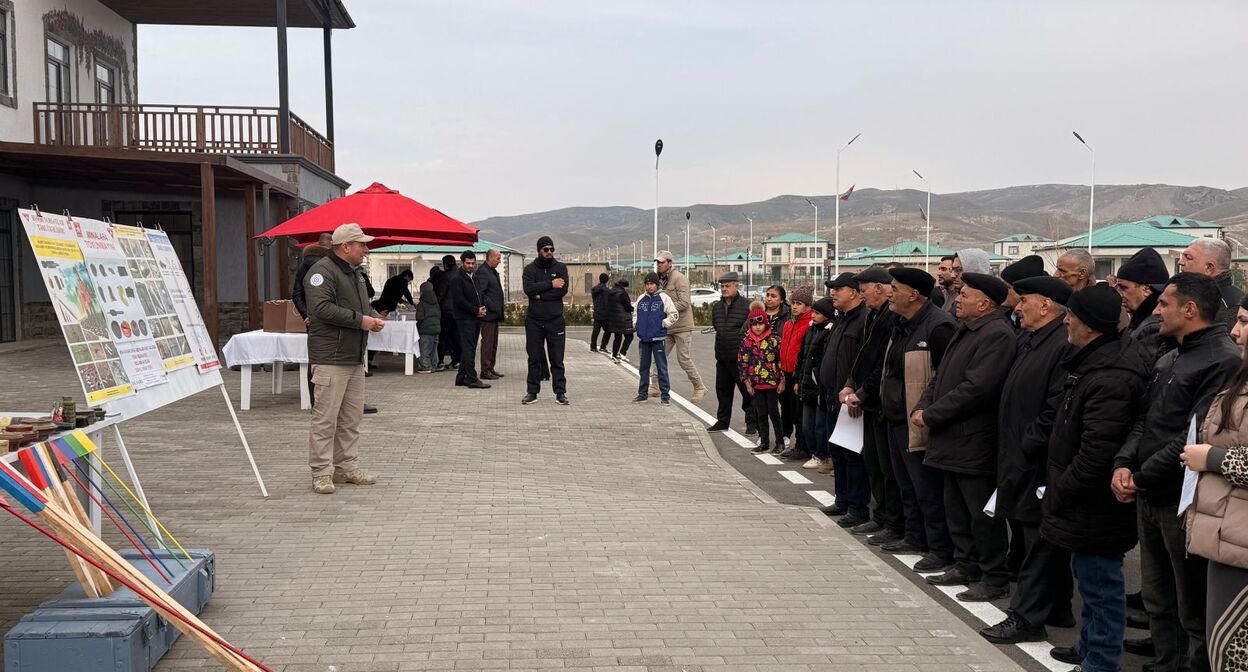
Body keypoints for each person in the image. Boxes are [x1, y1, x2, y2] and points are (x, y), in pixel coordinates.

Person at [1114, 272, 1240, 672]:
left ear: (1189, 309)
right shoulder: (1171, 355)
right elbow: (1146, 420)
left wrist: (1143, 475)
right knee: (1156, 593)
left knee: (1192, 603)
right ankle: (1165, 660)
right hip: (1150, 491)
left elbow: (1195, 434)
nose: (1157, 310)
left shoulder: (1222, 361)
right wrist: (1124, 463)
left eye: (1165, 303)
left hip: (1184, 499)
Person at [1038, 284, 1151, 672]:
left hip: (1095, 502)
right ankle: (1088, 646)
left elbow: (1098, 451)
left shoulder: (1112, 375)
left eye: (1071, 315)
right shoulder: (1091, 361)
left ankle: (1101, 660)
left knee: (1102, 585)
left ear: (1089, 324)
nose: (1066, 320)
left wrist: (1061, 490)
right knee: (1089, 579)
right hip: (1082, 500)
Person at [979, 276, 1076, 644]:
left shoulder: (1061, 346)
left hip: (1037, 461)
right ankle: (1058, 607)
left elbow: (1055, 410)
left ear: (1046, 305)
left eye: (1024, 302)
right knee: (1038, 538)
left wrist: (1026, 445)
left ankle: (1026, 617)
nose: (1017, 308)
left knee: (1039, 543)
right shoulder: (1032, 340)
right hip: (1019, 457)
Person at [913, 272, 1017, 601]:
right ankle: (965, 563)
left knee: (981, 515)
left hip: (974, 441)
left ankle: (994, 576)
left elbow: (977, 389)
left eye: (965, 295)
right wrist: (923, 405)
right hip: (950, 439)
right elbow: (941, 376)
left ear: (984, 303)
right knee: (955, 508)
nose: (957, 299)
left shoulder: (997, 334)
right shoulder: (967, 329)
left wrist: (932, 414)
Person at [1181, 295, 1248, 672]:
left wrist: (1212, 459)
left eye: (1244, 321)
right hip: (1226, 537)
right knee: (1219, 649)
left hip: (1241, 543)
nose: (1235, 332)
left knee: (1231, 653)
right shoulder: (1241, 374)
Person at [880, 267, 957, 571]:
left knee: (928, 490)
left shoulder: (938, 327)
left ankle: (939, 547)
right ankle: (915, 536)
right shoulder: (902, 324)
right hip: (896, 416)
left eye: (895, 288)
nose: (891, 293)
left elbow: (944, 377)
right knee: (907, 485)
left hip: (920, 421)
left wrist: (927, 412)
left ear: (913, 294)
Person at [303, 223, 382, 495]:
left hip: (353, 357)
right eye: (361, 244)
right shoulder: (321, 272)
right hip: (331, 357)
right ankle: (321, 473)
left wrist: (370, 318)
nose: (366, 249)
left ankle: (346, 467)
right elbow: (321, 309)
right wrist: (361, 321)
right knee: (325, 419)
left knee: (350, 419)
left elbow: (360, 305)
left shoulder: (356, 274)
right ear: (345, 246)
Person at [840, 268, 905, 545]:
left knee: (889, 470)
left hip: (881, 402)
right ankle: (880, 516)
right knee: (874, 464)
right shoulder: (874, 315)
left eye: (865, 290)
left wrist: (863, 392)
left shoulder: (891, 318)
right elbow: (862, 358)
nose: (863, 295)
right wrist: (850, 382)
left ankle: (893, 522)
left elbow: (882, 363)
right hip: (867, 400)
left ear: (879, 288)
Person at [821, 272, 869, 523]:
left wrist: (856, 391)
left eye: (838, 289)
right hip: (832, 396)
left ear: (853, 292)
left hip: (851, 400)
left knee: (853, 455)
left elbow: (864, 363)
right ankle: (842, 499)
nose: (833, 293)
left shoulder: (863, 320)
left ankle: (857, 506)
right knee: (837, 452)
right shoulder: (841, 319)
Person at [649, 251, 707, 402]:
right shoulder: (659, 280)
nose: (659, 265)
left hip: (682, 326)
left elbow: (684, 302)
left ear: (669, 262)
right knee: (658, 355)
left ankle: (699, 386)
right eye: (658, 262)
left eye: (662, 262)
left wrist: (664, 307)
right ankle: (654, 386)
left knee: (683, 359)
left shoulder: (680, 279)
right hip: (667, 326)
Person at [522, 236, 570, 405]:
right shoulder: (529, 269)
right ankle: (532, 392)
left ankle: (560, 392)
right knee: (534, 358)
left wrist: (540, 295)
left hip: (555, 320)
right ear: (539, 250)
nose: (549, 252)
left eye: (551, 249)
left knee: (557, 359)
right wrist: (551, 283)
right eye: (546, 249)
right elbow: (528, 289)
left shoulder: (561, 268)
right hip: (534, 321)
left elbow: (561, 291)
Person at [708, 272, 755, 433]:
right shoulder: (717, 307)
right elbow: (717, 327)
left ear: (737, 286)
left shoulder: (746, 306)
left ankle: (751, 423)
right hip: (722, 357)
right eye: (722, 286)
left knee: (747, 392)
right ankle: (722, 421)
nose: (724, 289)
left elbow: (751, 331)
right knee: (722, 392)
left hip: (740, 359)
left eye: (727, 286)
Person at [292, 232, 332, 404]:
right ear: (329, 245)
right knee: (330, 359)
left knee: (314, 360)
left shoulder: (303, 265)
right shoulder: (326, 265)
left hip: (311, 319)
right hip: (327, 317)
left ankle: (313, 400)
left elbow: (296, 294)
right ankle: (325, 400)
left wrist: (306, 315)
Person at [796, 297, 834, 470]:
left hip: (819, 386)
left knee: (820, 425)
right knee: (806, 425)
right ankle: (814, 452)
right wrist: (798, 379)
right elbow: (802, 356)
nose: (814, 315)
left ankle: (822, 455)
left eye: (817, 313)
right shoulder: (810, 329)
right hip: (807, 384)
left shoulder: (829, 331)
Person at [1116, 247, 1171, 364]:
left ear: (1146, 290)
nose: (1120, 295)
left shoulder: (1154, 327)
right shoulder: (1143, 320)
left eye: (1124, 288)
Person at [778, 286, 814, 460]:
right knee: (790, 411)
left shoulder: (809, 324)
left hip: (798, 374)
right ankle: (795, 442)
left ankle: (803, 445)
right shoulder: (789, 324)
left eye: (799, 303)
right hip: (786, 372)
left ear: (808, 306)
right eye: (793, 303)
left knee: (800, 413)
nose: (794, 307)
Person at [740, 307, 784, 454]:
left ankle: (780, 442)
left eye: (760, 323)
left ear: (765, 323)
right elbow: (743, 363)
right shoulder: (746, 342)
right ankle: (764, 441)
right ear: (750, 325)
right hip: (756, 384)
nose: (757, 327)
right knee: (761, 414)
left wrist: (782, 380)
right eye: (753, 324)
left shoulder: (775, 340)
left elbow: (781, 362)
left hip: (772, 383)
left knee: (774, 413)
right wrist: (747, 383)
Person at [632, 272, 678, 405]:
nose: (649, 286)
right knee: (643, 368)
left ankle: (665, 396)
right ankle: (642, 394)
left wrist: (664, 324)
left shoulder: (664, 298)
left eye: (651, 283)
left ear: (656, 284)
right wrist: (636, 325)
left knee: (661, 367)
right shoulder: (641, 299)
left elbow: (674, 314)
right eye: (647, 284)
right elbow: (635, 314)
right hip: (644, 340)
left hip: (658, 339)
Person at [1178, 237, 1243, 330]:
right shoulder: (1190, 294)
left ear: (1209, 268)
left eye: (1188, 258)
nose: (1180, 262)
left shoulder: (1232, 306)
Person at [450, 250, 489, 390]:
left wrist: (482, 308)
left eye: (473, 263)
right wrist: (475, 310)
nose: (471, 265)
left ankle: (461, 378)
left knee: (470, 347)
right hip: (465, 318)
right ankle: (471, 378)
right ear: (462, 263)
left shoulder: (475, 277)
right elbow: (459, 300)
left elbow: (480, 294)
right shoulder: (457, 279)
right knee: (469, 349)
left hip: (475, 317)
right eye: (468, 263)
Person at [476, 249, 505, 380]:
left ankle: (490, 368)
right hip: (488, 314)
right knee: (487, 342)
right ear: (490, 258)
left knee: (493, 343)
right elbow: (481, 293)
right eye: (498, 258)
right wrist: (492, 306)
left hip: (495, 314)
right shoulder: (483, 272)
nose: (500, 261)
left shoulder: (492, 271)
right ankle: (485, 370)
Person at [433, 254, 461, 368]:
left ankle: (440, 361)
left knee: (443, 337)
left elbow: (441, 294)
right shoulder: (461, 274)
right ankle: (457, 360)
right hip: (459, 311)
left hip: (446, 311)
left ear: (445, 265)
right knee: (457, 336)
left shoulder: (445, 276)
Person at [415, 267, 442, 374]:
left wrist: (418, 326)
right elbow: (439, 315)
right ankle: (434, 365)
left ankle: (425, 366)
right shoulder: (436, 302)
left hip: (425, 330)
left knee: (424, 349)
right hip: (436, 329)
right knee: (434, 349)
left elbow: (420, 317)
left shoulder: (422, 304)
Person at [606, 278, 634, 363]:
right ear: (624, 286)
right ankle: (622, 353)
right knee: (629, 336)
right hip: (623, 318)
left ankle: (614, 355)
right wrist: (633, 308)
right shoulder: (622, 293)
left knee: (617, 337)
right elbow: (627, 307)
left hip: (614, 318)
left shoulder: (611, 292)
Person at [590, 272, 612, 353]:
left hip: (597, 313)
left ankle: (593, 346)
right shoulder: (607, 291)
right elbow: (607, 303)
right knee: (608, 330)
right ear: (607, 280)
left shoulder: (594, 290)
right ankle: (603, 346)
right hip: (605, 314)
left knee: (595, 331)